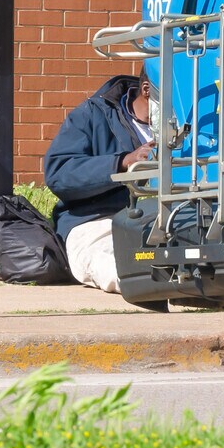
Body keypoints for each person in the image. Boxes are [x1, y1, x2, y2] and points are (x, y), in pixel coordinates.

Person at [43, 74, 157, 294]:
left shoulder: (195, 125)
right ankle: (152, 286)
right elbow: (59, 173)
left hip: (165, 225)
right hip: (98, 223)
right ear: (147, 90)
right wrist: (121, 163)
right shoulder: (93, 114)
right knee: (116, 268)